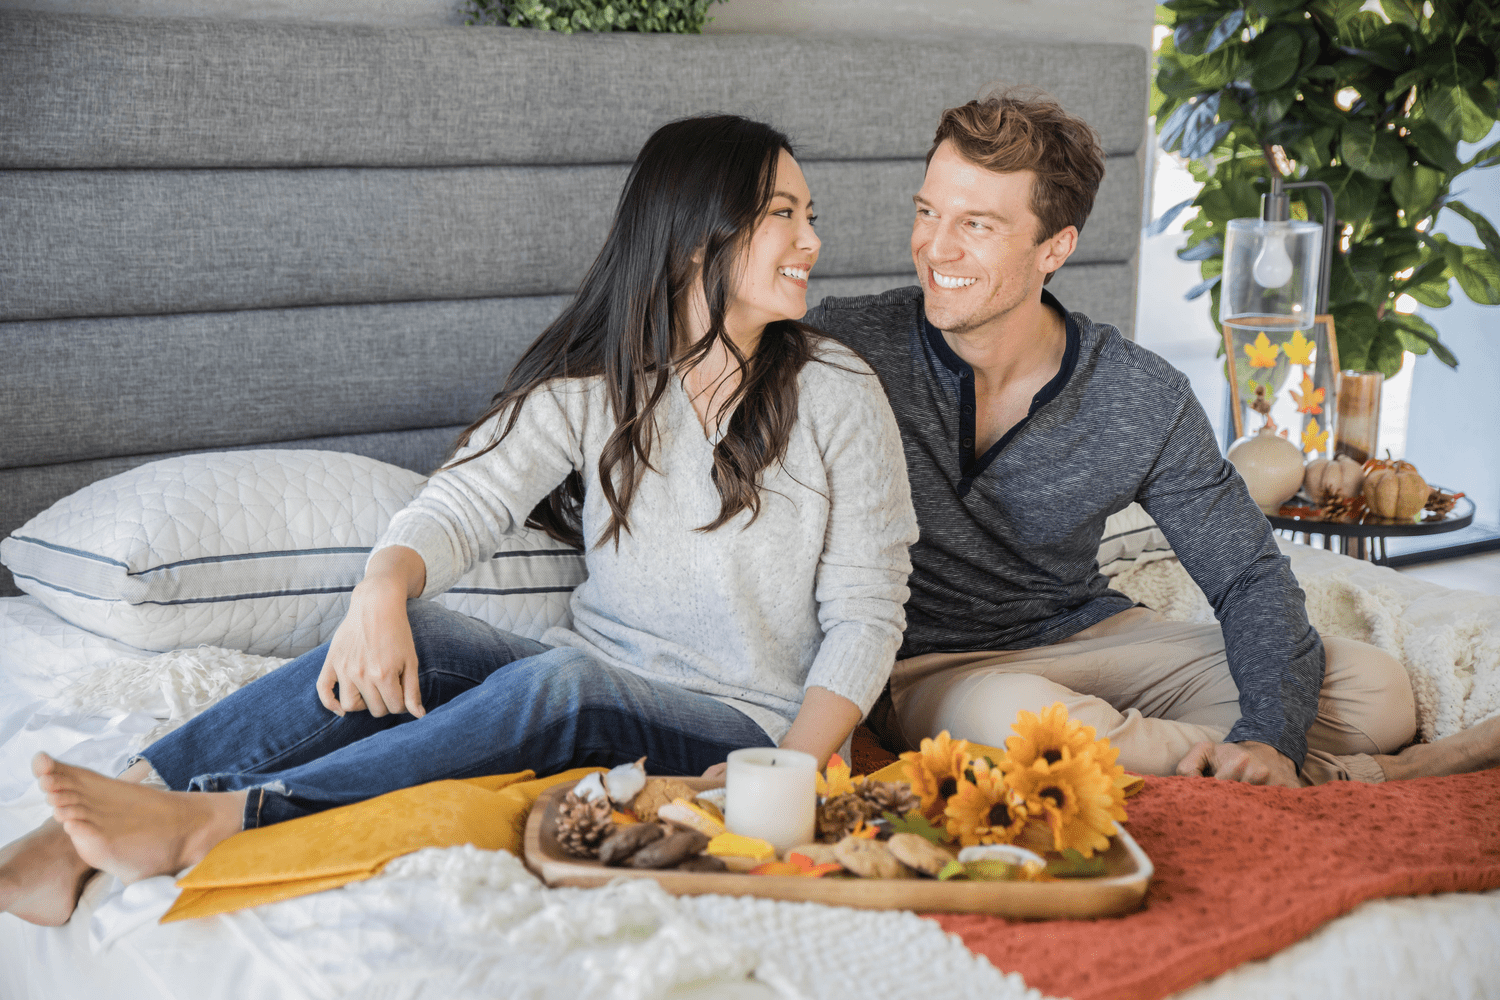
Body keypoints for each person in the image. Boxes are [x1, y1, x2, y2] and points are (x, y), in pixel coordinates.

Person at [0, 114, 918, 925]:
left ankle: (224, 819)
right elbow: (466, 499)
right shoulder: (601, 385)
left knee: (558, 685)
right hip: (600, 672)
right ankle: (99, 821)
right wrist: (381, 587)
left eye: (809, 213)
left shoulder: (836, 392)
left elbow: (869, 612)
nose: (814, 239)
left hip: (745, 725)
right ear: (695, 238)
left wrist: (789, 768)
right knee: (430, 635)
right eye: (784, 214)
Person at [806, 92, 1500, 789]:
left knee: (1375, 690)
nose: (936, 247)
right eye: (928, 212)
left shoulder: (1138, 392)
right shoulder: (847, 345)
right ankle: (1344, 777)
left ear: (1056, 247)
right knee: (1019, 725)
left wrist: (1269, 733)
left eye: (977, 224)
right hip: (936, 669)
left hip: (1097, 637)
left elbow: (1248, 574)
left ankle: (1234, 761)